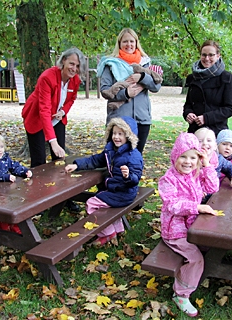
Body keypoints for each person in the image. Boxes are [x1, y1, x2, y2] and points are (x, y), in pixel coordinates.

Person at [158, 132, 219, 317]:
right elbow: (172, 205)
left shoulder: (196, 174)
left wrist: (207, 166)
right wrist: (197, 207)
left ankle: (203, 272)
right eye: (183, 156)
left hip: (193, 225)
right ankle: (181, 294)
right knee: (195, 258)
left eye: (193, 157)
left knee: (212, 244)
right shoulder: (168, 179)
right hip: (175, 230)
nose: (187, 162)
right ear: (175, 157)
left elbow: (213, 188)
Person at [22, 47, 87, 212]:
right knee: (39, 163)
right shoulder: (47, 77)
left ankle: (63, 199)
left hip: (57, 119)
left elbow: (71, 98)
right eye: (71, 63)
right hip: (37, 119)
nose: (74, 68)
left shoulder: (75, 80)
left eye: (77, 66)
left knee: (59, 162)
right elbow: (43, 110)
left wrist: (64, 110)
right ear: (63, 61)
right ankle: (37, 200)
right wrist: (53, 142)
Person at [65, 116, 144, 246]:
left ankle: (107, 233)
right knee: (105, 203)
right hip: (115, 190)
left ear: (129, 136)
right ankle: (118, 230)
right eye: (114, 133)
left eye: (120, 134)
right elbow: (95, 160)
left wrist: (128, 176)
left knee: (91, 203)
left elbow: (135, 179)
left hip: (124, 192)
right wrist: (77, 165)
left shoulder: (133, 155)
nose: (116, 137)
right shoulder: (111, 150)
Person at [98, 28, 162, 153]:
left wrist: (142, 77)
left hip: (142, 119)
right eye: (125, 41)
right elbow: (105, 90)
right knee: (116, 160)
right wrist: (126, 93)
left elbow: (156, 86)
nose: (129, 45)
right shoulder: (111, 64)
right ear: (119, 44)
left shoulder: (145, 63)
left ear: (136, 43)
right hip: (119, 119)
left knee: (136, 158)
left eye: (132, 41)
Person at [183, 40, 232, 138]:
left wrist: (206, 118)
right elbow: (188, 104)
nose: (207, 58)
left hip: (216, 132)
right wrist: (188, 113)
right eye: (204, 55)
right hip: (194, 132)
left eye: (211, 55)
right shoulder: (193, 78)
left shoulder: (226, 78)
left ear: (218, 56)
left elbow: (230, 108)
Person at [194, 128, 232, 203]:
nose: (205, 143)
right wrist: (196, 190)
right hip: (194, 198)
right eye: (200, 141)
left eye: (209, 140)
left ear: (215, 146)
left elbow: (230, 167)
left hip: (213, 196)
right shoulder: (191, 160)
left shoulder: (218, 159)